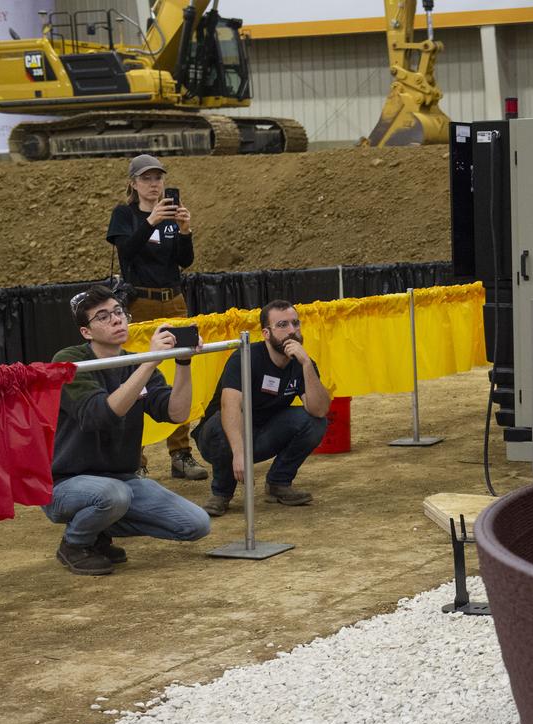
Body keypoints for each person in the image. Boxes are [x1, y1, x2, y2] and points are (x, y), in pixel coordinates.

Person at [45, 285, 212, 576]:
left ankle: (98, 530)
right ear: (86, 332)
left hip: (121, 480)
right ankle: (75, 542)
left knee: (196, 524)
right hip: (66, 484)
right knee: (114, 495)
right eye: (103, 316)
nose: (116, 320)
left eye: (119, 312)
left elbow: (177, 413)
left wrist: (184, 362)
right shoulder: (70, 361)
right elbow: (100, 415)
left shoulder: (135, 363)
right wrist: (147, 363)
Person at [106, 153, 208, 482]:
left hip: (173, 300)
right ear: (133, 184)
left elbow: (184, 261)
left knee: (181, 370)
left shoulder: (169, 217)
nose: (154, 184)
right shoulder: (124, 215)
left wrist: (184, 230)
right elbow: (127, 252)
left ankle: (180, 453)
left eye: (158, 178)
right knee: (135, 376)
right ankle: (134, 457)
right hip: (140, 302)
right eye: (147, 179)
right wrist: (150, 222)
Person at [194, 300, 331, 517]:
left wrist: (306, 365)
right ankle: (221, 493)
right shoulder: (246, 357)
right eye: (283, 325)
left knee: (314, 422)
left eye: (296, 323)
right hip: (220, 437)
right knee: (221, 423)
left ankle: (278, 482)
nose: (292, 331)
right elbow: (230, 405)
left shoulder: (301, 362)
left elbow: (320, 410)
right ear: (266, 333)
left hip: (263, 434)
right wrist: (239, 453)